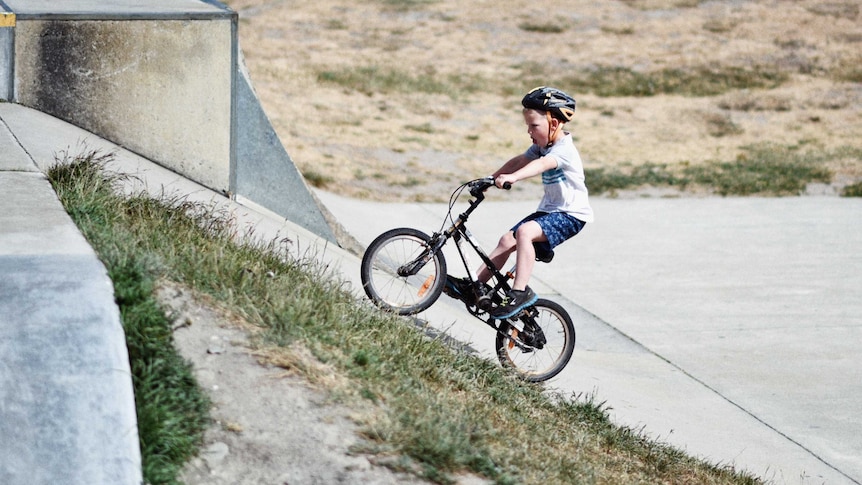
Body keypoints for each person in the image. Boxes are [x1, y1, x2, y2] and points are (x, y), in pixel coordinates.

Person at [451, 86, 593, 319]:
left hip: (571, 215)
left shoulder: (563, 150)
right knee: (508, 239)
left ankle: (520, 292)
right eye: (527, 126)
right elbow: (521, 160)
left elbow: (540, 165)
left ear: (554, 124)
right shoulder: (542, 146)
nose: (529, 131)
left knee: (525, 233)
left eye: (534, 126)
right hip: (549, 211)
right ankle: (475, 286)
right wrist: (490, 179)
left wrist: (514, 178)